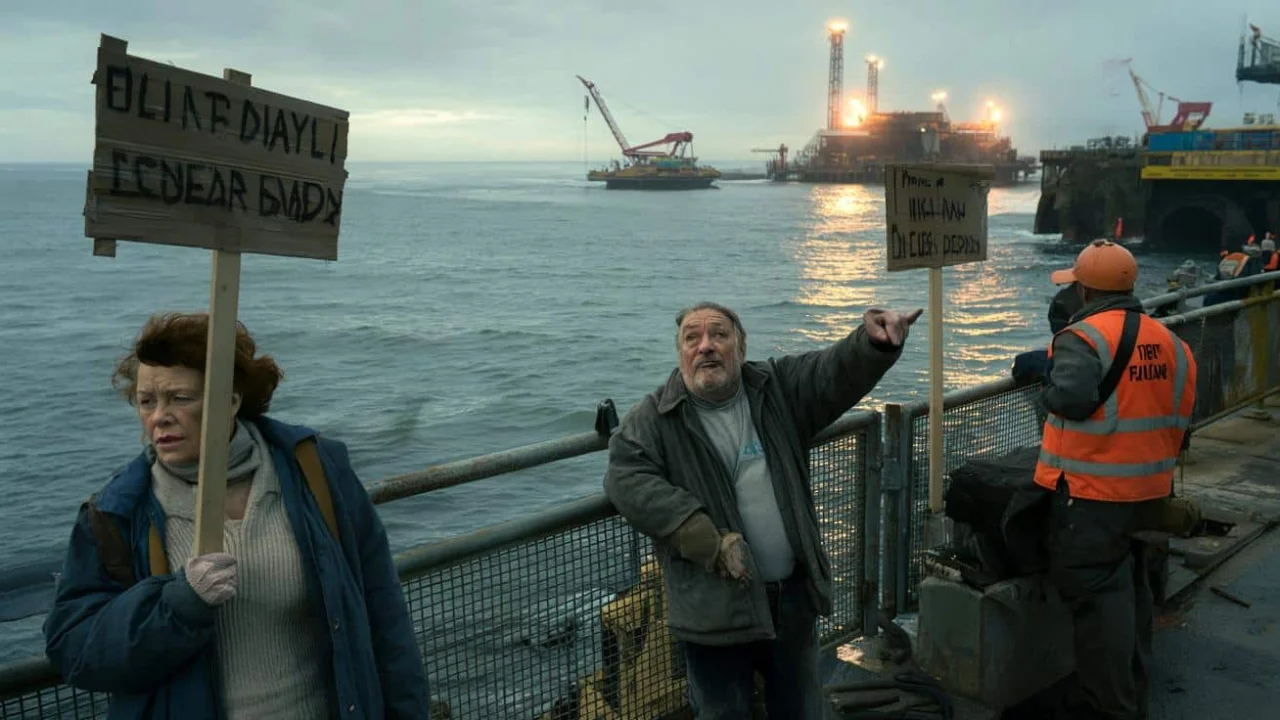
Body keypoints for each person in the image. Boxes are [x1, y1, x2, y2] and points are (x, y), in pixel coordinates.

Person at [42, 313, 430, 720]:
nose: (159, 416)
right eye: (146, 401)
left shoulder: (315, 470)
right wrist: (177, 605)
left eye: (180, 398)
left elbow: (384, 614)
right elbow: (74, 649)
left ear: (231, 399)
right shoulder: (115, 514)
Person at [603, 301, 920, 719]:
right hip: (714, 613)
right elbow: (625, 476)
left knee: (801, 709)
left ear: (741, 347)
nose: (705, 346)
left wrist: (872, 343)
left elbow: (831, 371)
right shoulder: (656, 417)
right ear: (680, 353)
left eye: (719, 334)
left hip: (792, 600)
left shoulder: (776, 388)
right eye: (692, 338)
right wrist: (702, 536)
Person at [1035, 240, 1197, 720]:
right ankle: (1133, 693)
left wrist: (1043, 380)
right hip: (1150, 493)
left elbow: (1070, 399)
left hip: (1092, 497)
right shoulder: (1171, 341)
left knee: (1100, 604)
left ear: (1085, 291)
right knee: (1135, 594)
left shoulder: (1082, 337)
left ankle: (1112, 708)